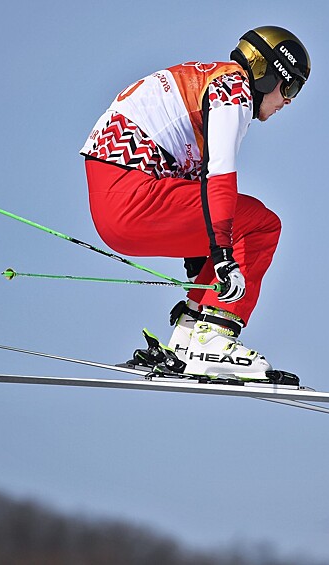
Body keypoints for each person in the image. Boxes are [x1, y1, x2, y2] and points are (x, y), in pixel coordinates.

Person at [80, 26, 310, 383]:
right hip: (132, 194)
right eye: (291, 86)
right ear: (267, 74)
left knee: (232, 225)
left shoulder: (209, 81)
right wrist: (221, 254)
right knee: (262, 224)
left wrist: (204, 261)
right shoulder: (232, 89)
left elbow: (193, 181)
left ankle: (190, 335)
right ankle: (214, 340)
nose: (290, 100)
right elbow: (219, 178)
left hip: (117, 201)